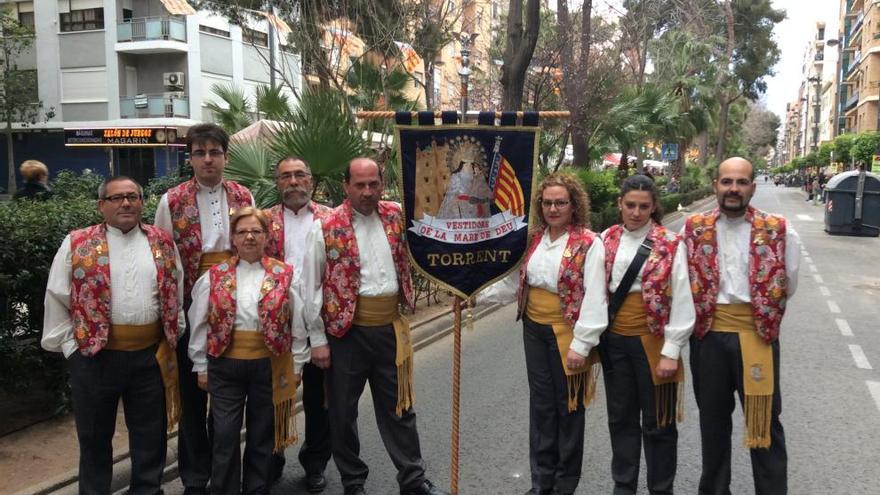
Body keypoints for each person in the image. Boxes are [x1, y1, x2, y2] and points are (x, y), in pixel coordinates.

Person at [301, 158, 448, 495]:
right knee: (342, 413)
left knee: (400, 407)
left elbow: (433, 244)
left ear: (382, 184)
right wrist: (317, 339)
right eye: (360, 185)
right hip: (345, 333)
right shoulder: (324, 226)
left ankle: (413, 479)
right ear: (346, 186)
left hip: (390, 329)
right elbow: (310, 286)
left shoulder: (397, 215)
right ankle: (353, 481)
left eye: (373, 184)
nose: (367, 192)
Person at [42, 176, 184, 494]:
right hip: (94, 358)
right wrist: (72, 349)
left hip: (150, 357)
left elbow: (177, 289)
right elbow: (57, 297)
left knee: (151, 435)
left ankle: (147, 489)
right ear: (101, 205)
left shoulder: (162, 242)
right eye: (116, 198)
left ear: (142, 202)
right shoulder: (78, 243)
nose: (126, 203)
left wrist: (173, 335)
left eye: (133, 196)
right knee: (94, 437)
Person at [478, 172, 606, 495]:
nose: (553, 208)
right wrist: (474, 295)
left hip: (569, 335)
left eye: (560, 202)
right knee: (542, 407)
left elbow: (596, 297)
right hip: (533, 331)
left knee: (569, 408)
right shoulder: (533, 240)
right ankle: (541, 483)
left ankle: (564, 484)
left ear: (573, 205)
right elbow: (514, 285)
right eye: (547, 202)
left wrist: (583, 344)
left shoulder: (589, 243)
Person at [683, 157, 800, 495]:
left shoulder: (778, 227)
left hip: (757, 336)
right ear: (715, 185)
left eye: (741, 182)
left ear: (752, 186)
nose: (733, 189)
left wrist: (761, 311)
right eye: (727, 182)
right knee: (713, 422)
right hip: (709, 337)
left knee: (764, 422)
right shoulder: (693, 227)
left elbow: (789, 281)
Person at [154, 123, 254, 494]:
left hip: (236, 306)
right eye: (200, 152)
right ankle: (195, 478)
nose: (208, 159)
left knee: (227, 397)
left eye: (214, 152)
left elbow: (253, 246)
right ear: (190, 157)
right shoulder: (172, 200)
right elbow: (165, 258)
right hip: (190, 307)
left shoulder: (243, 195)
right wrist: (174, 312)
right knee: (193, 398)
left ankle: (227, 472)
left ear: (226, 156)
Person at [188, 207, 309, 495]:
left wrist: (298, 364)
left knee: (261, 436)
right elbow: (198, 322)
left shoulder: (284, 274)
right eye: (242, 232)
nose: (250, 237)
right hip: (225, 366)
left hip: (269, 365)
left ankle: (257, 489)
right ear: (233, 238)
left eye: (256, 231)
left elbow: (299, 321)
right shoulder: (214, 276)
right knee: (225, 434)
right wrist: (200, 365)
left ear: (267, 236)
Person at [596, 174, 695, 495]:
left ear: (654, 208)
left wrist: (672, 349)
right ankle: (623, 487)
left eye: (644, 207)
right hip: (615, 343)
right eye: (630, 205)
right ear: (619, 205)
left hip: (655, 344)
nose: (636, 212)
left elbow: (681, 294)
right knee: (620, 420)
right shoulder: (606, 238)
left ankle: (660, 489)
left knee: (659, 424)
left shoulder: (669, 242)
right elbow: (595, 291)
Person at [264, 156, 333, 492]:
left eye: (299, 175)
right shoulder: (262, 223)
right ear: (277, 182)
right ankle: (271, 460)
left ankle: (316, 462)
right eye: (286, 176)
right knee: (275, 397)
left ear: (310, 179)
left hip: (322, 322)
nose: (293, 182)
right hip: (276, 324)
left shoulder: (332, 220)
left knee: (322, 400)